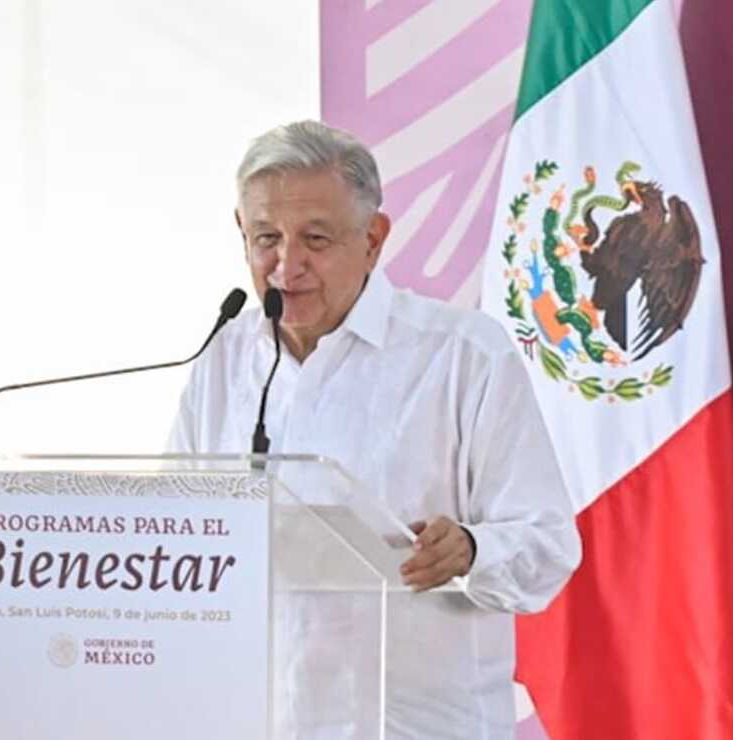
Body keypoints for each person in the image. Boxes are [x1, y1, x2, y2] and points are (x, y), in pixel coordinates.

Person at [168, 120, 581, 740]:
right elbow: (177, 537)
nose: (287, 265)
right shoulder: (222, 361)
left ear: (374, 239)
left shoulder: (464, 357)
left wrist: (471, 549)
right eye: (266, 238)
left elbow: (548, 545)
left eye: (315, 239)